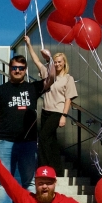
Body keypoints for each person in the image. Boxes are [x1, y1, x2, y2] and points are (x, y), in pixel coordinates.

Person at [0, 51, 55, 203]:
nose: (17, 71)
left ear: (25, 70)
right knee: (5, 180)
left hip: (28, 142)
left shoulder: (32, 88)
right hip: (6, 141)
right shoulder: (1, 90)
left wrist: (49, 60)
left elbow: (51, 78)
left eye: (21, 68)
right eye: (14, 68)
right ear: (9, 69)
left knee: (29, 182)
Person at [25, 37, 77, 175]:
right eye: (56, 61)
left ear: (64, 63)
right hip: (45, 111)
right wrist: (29, 44)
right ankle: (57, 170)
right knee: (52, 141)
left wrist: (64, 116)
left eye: (60, 62)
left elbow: (68, 99)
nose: (58, 64)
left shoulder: (68, 78)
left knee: (42, 137)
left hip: (57, 112)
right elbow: (36, 60)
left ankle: (43, 168)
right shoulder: (47, 73)